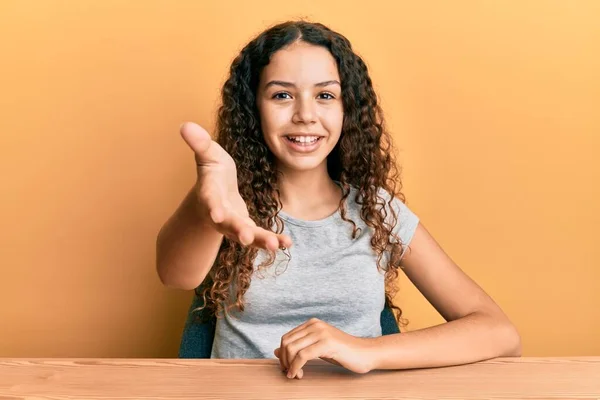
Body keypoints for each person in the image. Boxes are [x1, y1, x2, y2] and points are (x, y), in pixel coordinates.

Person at [156, 20, 521, 380]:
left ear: (348, 110)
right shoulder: (228, 205)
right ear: (254, 108)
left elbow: (499, 333)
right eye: (281, 95)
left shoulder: (378, 211)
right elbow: (175, 276)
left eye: (325, 95)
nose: (305, 115)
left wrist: (364, 350)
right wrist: (204, 207)